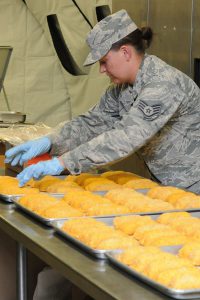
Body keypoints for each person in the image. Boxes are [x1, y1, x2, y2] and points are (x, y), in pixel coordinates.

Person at [5, 9, 200, 194]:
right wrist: (50, 141)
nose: (101, 70)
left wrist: (62, 163)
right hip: (167, 183)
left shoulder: (163, 84)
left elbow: (125, 137)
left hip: (193, 185)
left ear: (125, 52)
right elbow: (91, 123)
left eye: (104, 61)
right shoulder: (121, 89)